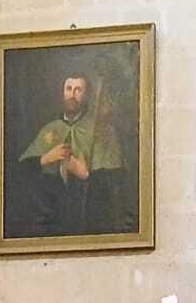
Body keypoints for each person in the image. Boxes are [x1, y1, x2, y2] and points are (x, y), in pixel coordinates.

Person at [18, 71, 130, 237]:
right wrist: (45, 158)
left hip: (90, 218)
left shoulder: (102, 131)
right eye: (68, 89)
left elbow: (117, 184)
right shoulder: (50, 129)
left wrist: (86, 175)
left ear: (86, 96)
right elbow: (20, 175)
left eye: (78, 90)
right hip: (51, 218)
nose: (72, 95)